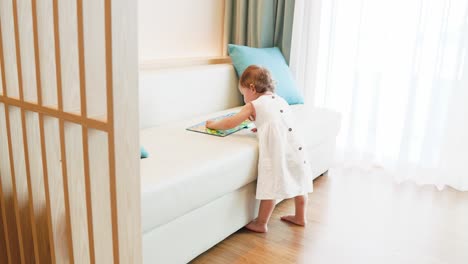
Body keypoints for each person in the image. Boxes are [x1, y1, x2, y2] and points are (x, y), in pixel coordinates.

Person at [206, 65, 313, 233]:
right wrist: (261, 127)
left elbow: (231, 122)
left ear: (252, 88)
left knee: (271, 185)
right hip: (295, 145)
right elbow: (277, 122)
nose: (244, 100)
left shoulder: (254, 104)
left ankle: (261, 223)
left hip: (278, 151)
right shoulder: (280, 99)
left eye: (243, 95)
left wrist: (213, 124)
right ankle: (300, 217)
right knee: (300, 181)